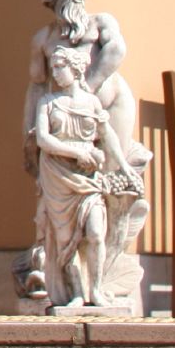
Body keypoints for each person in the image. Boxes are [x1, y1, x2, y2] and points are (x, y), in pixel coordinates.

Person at [32, 44, 146, 308]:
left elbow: (107, 137)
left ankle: (96, 291)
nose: (56, 73)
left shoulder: (92, 103)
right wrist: (75, 152)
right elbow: (43, 139)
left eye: (61, 68)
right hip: (59, 177)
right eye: (54, 68)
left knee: (96, 232)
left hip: (88, 176)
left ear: (75, 69)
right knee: (65, 240)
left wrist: (125, 167)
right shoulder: (48, 103)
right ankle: (76, 293)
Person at [23, 0, 149, 176]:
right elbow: (37, 85)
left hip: (111, 106)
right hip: (68, 116)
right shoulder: (43, 39)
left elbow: (116, 50)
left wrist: (88, 90)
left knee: (110, 174)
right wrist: (28, 130)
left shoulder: (100, 23)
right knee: (70, 175)